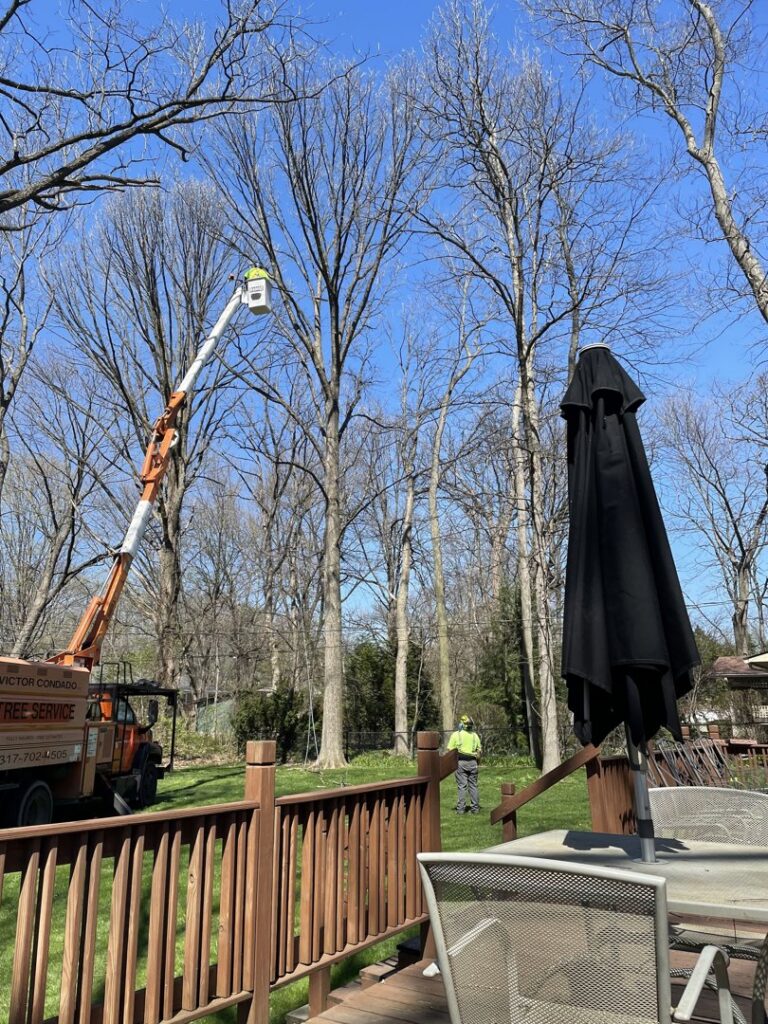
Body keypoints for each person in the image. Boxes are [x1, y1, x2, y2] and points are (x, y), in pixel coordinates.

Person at [447, 714, 482, 814]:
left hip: (461, 762)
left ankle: (461, 810)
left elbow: (450, 749)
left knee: (462, 786)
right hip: (473, 762)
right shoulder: (475, 735)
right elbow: (479, 751)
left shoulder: (456, 735)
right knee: (473, 786)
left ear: (462, 724)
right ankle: (475, 809)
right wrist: (477, 763)